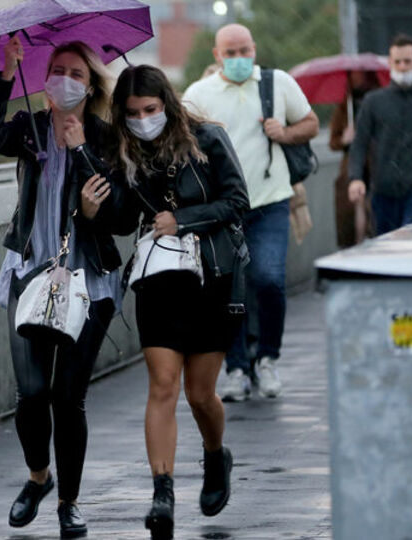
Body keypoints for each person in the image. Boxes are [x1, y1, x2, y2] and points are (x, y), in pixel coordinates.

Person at [0, 35, 123, 539]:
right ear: (44, 79)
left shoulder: (105, 138)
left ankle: (69, 502)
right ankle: (39, 477)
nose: (65, 80)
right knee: (32, 392)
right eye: (57, 71)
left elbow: (119, 212)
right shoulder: (30, 129)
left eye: (76, 74)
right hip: (30, 272)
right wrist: (5, 74)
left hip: (88, 279)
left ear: (90, 86)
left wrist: (80, 151)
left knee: (67, 397)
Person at [106, 64, 249, 540]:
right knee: (163, 385)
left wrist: (183, 219)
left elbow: (237, 202)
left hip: (211, 277)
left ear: (166, 103)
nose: (142, 120)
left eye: (150, 109)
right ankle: (162, 494)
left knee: (200, 395)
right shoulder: (123, 150)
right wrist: (95, 198)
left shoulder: (207, 139)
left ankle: (215, 455)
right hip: (159, 281)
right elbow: (122, 221)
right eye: (132, 114)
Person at [182, 23, 318, 402]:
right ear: (217, 55)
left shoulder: (277, 83)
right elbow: (181, 141)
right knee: (228, 289)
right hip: (225, 208)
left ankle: (268, 358)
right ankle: (237, 367)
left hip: (271, 199)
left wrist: (284, 133)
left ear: (254, 49)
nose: (239, 58)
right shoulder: (199, 94)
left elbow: (310, 123)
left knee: (269, 279)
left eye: (245, 51)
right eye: (231, 53)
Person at [347, 33, 412, 236]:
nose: (402, 67)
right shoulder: (373, 102)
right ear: (390, 64)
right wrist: (355, 177)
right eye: (397, 62)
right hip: (383, 189)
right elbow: (359, 144)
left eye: (407, 61)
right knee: (387, 243)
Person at [329, 70, 381, 247]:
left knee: (374, 211)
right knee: (351, 209)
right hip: (351, 165)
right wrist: (344, 138)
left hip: (377, 164)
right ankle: (355, 243)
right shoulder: (345, 107)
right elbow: (333, 141)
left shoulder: (379, 103)